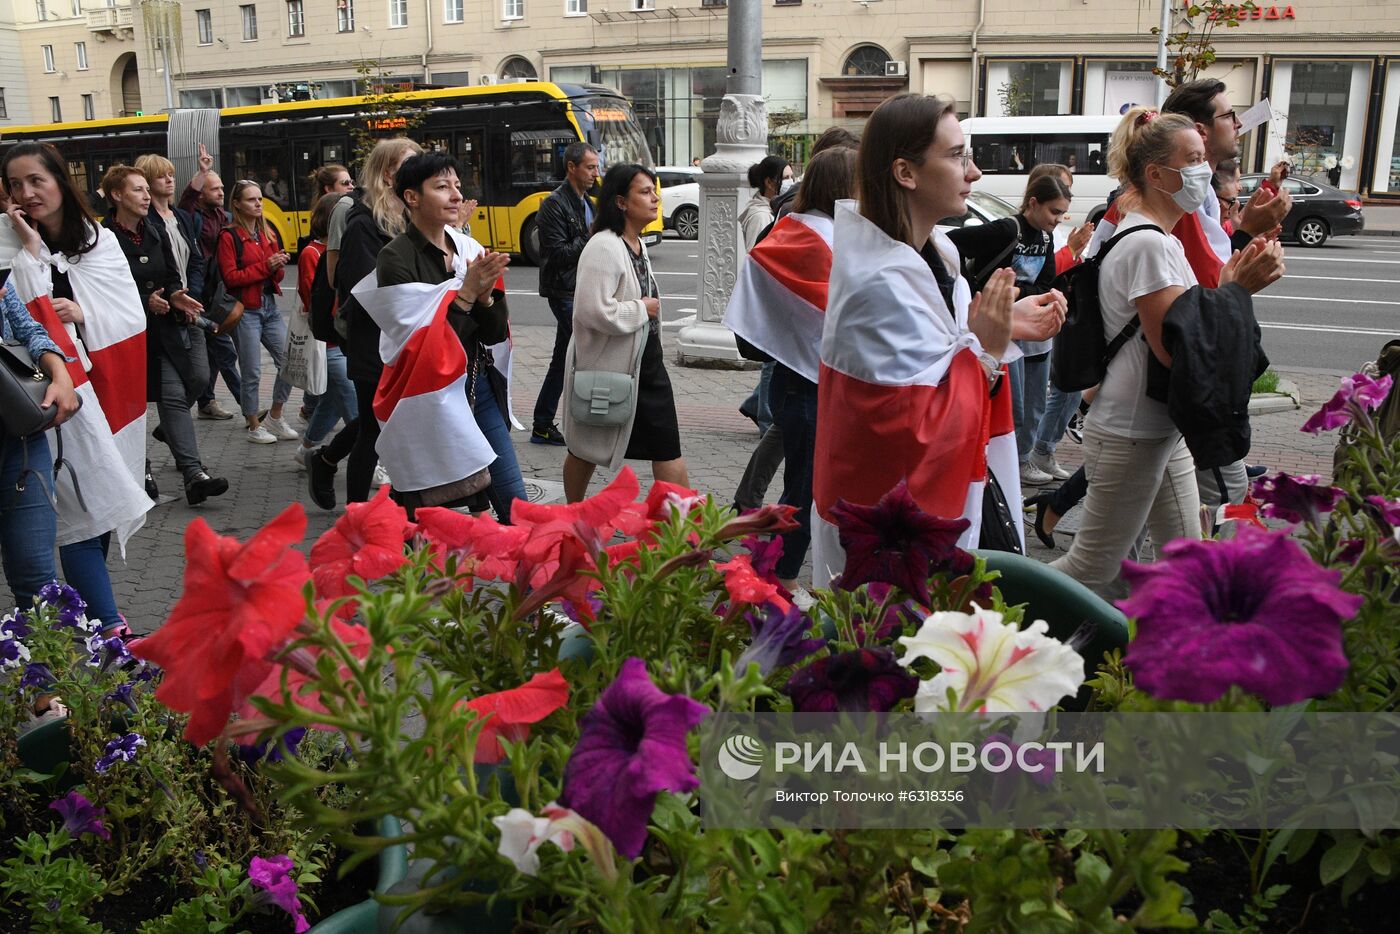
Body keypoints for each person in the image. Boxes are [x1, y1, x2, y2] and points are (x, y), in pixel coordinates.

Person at [1049, 108, 1283, 595]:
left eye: (1204, 159)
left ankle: (1170, 654)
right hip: (1131, 429)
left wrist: (1232, 284)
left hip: (1158, 427)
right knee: (1094, 569)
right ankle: (989, 615)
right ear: (1156, 173)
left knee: (1186, 558)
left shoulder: (1157, 239)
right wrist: (1237, 289)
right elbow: (1182, 352)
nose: (1205, 171)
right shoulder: (1150, 246)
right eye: (1193, 160)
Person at [811, 94, 1037, 582]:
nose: (973, 173)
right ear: (905, 173)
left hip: (918, 516)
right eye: (957, 156)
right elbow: (914, 426)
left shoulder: (939, 256)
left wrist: (1006, 324)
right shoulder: (880, 281)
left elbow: (942, 359)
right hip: (888, 533)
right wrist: (989, 349)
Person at [1, 141, 152, 634]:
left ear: (60, 182)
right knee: (80, 513)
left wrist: (82, 312)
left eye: (36, 181)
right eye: (15, 185)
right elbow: (18, 315)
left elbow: (127, 312)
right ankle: (110, 628)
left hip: (103, 395)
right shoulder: (7, 243)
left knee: (99, 508)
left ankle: (97, 624)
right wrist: (27, 252)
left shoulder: (97, 240)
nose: (27, 193)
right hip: (43, 404)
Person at [723, 146, 857, 595]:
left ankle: (769, 568)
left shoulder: (790, 228)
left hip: (790, 380)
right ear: (844, 187)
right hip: (812, 386)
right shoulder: (835, 240)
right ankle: (775, 579)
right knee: (803, 491)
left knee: (802, 486)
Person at [361, 151, 523, 520]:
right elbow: (419, 345)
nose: (455, 195)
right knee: (440, 518)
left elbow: (495, 331)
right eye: (441, 186)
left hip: (476, 389)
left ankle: (531, 578)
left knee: (516, 506)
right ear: (412, 197)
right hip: (430, 398)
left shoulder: (468, 249)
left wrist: (485, 297)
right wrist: (466, 294)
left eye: (456, 185)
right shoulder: (395, 258)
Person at [101, 165, 228, 507]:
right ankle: (138, 469)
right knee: (130, 409)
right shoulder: (103, 237)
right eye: (138, 190)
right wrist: (145, 302)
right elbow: (100, 289)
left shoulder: (153, 230)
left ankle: (193, 474)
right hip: (122, 340)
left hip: (163, 334)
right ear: (117, 196)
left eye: (146, 189)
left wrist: (175, 294)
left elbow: (172, 273)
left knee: (174, 395)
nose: (146, 196)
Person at [306, 137, 422, 509]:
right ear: (388, 174)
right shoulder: (361, 219)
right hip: (373, 339)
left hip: (404, 337)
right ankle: (357, 512)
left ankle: (326, 463)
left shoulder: (411, 214)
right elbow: (363, 287)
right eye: (410, 164)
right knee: (376, 426)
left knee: (382, 420)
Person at [562, 163, 688, 502]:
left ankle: (683, 530)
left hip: (644, 364)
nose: (656, 199)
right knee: (586, 447)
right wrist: (640, 310)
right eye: (645, 192)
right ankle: (575, 514)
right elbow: (591, 310)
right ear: (620, 202)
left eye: (654, 191)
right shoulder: (604, 246)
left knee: (666, 448)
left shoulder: (635, 243)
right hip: (613, 366)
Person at [950, 174, 1071, 489]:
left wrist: (1041, 295)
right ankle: (1007, 463)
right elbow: (952, 245)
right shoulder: (1007, 229)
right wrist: (972, 289)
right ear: (1033, 203)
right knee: (1012, 402)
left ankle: (1022, 458)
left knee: (1034, 402)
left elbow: (1046, 280)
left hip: (1030, 327)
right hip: (999, 326)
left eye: (1062, 213)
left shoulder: (1045, 238)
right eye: (1053, 212)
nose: (1058, 220)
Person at [0, 191, 82, 614]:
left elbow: (28, 329)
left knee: (37, 580)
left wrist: (61, 374)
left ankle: (46, 680)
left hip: (18, 441)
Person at [218, 179, 299, 444]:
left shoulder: (266, 233)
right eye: (252, 199)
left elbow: (275, 272)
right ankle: (254, 426)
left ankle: (275, 415)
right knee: (251, 371)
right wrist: (267, 266)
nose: (258, 204)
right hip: (247, 310)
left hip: (270, 307)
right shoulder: (229, 236)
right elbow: (231, 277)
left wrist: (277, 265)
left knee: (289, 361)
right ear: (237, 204)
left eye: (260, 199)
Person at [533, 141, 600, 447]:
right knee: (586, 352)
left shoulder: (589, 201)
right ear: (571, 168)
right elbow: (556, 254)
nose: (594, 173)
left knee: (563, 358)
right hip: (563, 290)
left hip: (582, 287)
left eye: (596, 167)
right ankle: (588, 418)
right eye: (589, 167)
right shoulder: (554, 204)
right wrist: (589, 235)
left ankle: (543, 424)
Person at [292, 193, 358, 474]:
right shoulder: (312, 252)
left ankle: (307, 448)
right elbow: (313, 298)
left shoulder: (346, 249)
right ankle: (373, 461)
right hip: (329, 342)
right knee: (357, 408)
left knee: (331, 401)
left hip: (344, 340)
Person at [179, 142, 241, 421]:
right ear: (202, 193)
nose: (221, 192)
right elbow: (185, 204)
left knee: (216, 351)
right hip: (198, 293)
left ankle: (204, 402)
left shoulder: (225, 217)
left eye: (222, 188)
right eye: (215, 189)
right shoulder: (191, 217)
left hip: (218, 293)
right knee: (223, 351)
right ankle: (249, 408)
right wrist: (202, 173)